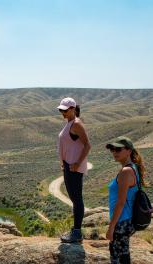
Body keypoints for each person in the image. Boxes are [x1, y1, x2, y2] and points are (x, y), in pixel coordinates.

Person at [106, 136, 146, 264]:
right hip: (128, 220)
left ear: (129, 151)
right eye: (112, 149)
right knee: (123, 255)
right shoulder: (133, 168)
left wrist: (111, 227)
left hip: (121, 221)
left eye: (118, 149)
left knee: (117, 257)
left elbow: (121, 202)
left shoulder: (126, 172)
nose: (114, 152)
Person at [57, 97, 91, 243]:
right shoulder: (69, 123)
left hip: (74, 167)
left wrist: (77, 163)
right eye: (61, 110)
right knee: (74, 198)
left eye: (65, 110)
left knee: (77, 200)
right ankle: (76, 230)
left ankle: (77, 233)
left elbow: (88, 145)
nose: (62, 112)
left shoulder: (76, 124)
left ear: (72, 109)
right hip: (68, 166)